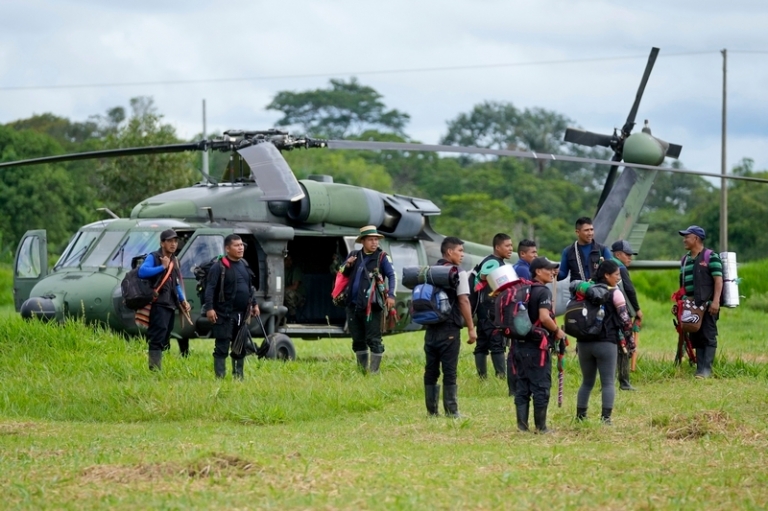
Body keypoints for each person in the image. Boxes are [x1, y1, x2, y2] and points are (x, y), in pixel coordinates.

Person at [424, 237, 477, 418]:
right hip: (450, 328)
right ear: (449, 252)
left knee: (431, 369)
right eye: (460, 251)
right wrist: (471, 328)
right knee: (449, 370)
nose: (462, 255)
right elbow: (463, 300)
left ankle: (432, 412)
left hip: (431, 328)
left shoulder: (431, 271)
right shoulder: (458, 273)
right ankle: (452, 411)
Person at [575, 260, 633, 425]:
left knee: (587, 382)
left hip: (584, 342)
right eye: (616, 275)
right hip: (606, 342)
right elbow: (625, 319)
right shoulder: (615, 292)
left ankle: (580, 418)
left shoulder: (586, 291)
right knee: (608, 382)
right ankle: (605, 419)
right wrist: (630, 341)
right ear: (607, 275)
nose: (618, 278)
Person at [513, 257, 566, 433]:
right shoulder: (543, 291)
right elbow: (544, 317)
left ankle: (522, 427)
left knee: (522, 387)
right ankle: (541, 427)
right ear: (537, 271)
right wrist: (557, 331)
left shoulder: (523, 289)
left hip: (519, 346)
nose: (552, 272)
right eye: (548, 269)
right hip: (537, 348)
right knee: (541, 387)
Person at [341, 225, 396, 374]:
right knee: (358, 340)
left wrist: (391, 295)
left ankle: (374, 372)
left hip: (372, 306)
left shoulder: (382, 257)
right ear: (363, 241)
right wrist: (347, 265)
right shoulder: (354, 255)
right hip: (353, 306)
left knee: (374, 340)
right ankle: (361, 371)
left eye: (376, 239)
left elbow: (392, 275)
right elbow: (341, 274)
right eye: (371, 239)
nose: (374, 243)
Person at [203, 234, 260, 379]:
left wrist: (254, 304)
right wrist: (209, 308)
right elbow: (210, 288)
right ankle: (220, 377)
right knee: (222, 346)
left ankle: (238, 377)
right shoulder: (219, 267)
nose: (241, 248)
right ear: (227, 248)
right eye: (237, 245)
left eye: (241, 245)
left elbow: (249, 287)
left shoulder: (244, 265)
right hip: (224, 314)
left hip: (242, 314)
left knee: (240, 346)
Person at [138, 229, 191, 371]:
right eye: (170, 241)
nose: (173, 244)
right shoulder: (154, 257)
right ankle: (154, 370)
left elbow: (175, 283)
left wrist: (182, 300)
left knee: (164, 338)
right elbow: (142, 271)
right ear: (162, 243)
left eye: (175, 241)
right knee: (157, 337)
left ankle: (157, 367)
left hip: (170, 304)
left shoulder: (174, 259)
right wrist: (162, 267)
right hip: (158, 304)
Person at [678, 225, 723, 378]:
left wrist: (716, 301)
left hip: (708, 304)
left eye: (687, 237)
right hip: (690, 305)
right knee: (695, 335)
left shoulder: (710, 256)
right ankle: (699, 369)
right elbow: (682, 285)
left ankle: (706, 369)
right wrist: (679, 303)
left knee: (707, 335)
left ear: (696, 238)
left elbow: (718, 280)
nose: (684, 240)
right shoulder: (684, 260)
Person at [472, 233, 513, 380]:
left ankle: (482, 378)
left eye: (511, 245)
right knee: (496, 345)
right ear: (497, 247)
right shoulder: (494, 264)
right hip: (492, 311)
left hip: (483, 311)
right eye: (507, 246)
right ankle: (501, 377)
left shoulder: (487, 261)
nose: (511, 249)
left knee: (482, 345)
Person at [610, 240, 642, 391]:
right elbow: (629, 289)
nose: (630, 258)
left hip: (607, 313)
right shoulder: (620, 268)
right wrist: (637, 310)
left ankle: (608, 382)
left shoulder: (606, 266)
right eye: (627, 254)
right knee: (623, 347)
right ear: (617, 254)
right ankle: (624, 382)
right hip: (620, 313)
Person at [558, 217, 611, 282]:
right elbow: (562, 274)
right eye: (586, 230)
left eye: (591, 229)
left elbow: (612, 271)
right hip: (578, 290)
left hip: (598, 289)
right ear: (577, 232)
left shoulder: (603, 250)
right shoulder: (568, 251)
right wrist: (553, 272)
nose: (590, 233)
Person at [284, 253, 305, 322]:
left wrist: (281, 291)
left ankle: (293, 316)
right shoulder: (281, 270)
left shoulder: (295, 270)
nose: (288, 262)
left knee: (287, 293)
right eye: (286, 260)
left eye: (290, 260)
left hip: (299, 297)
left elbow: (295, 287)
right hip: (286, 296)